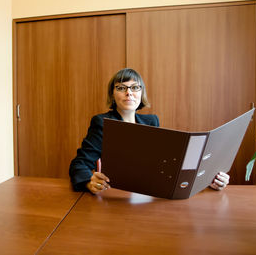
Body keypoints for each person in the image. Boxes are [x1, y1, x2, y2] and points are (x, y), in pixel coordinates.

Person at [69, 68, 230, 194]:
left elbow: (167, 166)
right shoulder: (102, 122)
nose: (129, 92)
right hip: (116, 196)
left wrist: (208, 179)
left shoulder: (152, 122)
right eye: (121, 88)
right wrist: (88, 181)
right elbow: (79, 164)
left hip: (149, 196)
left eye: (135, 87)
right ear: (112, 94)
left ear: (141, 93)